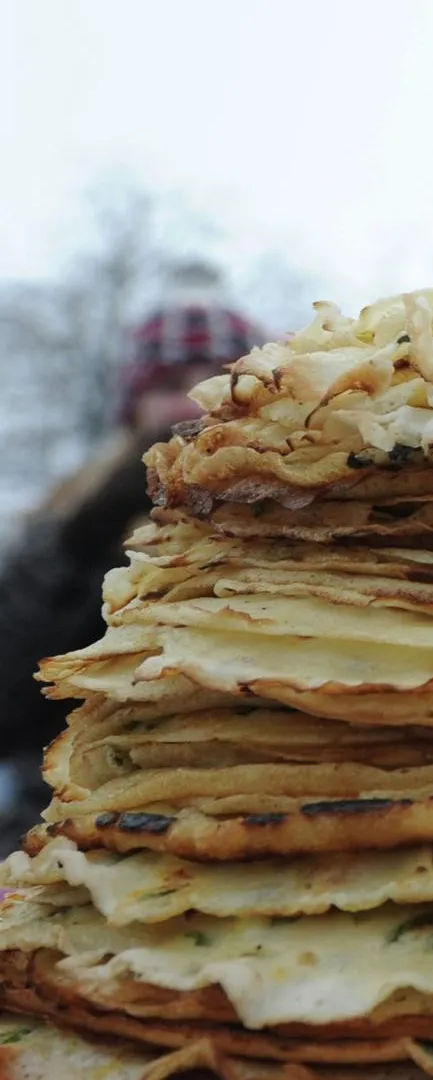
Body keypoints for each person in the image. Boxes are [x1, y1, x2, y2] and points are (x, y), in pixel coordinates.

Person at [0, 262, 264, 848]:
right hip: (67, 824)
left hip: (252, 814)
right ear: (133, 404)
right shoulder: (65, 517)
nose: (192, 403)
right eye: (171, 385)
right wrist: (81, 537)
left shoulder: (303, 509)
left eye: (218, 378)